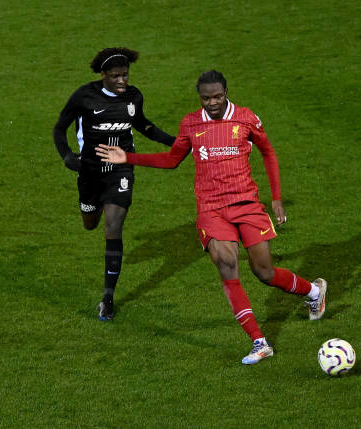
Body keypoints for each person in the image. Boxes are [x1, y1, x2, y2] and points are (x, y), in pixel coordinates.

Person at [96, 70, 327, 364]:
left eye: (217, 96)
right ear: (200, 98)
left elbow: (268, 153)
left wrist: (277, 198)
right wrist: (128, 157)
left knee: (264, 272)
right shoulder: (191, 123)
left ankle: (314, 291)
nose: (212, 103)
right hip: (211, 209)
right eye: (206, 98)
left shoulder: (245, 118)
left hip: (246, 204)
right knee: (227, 264)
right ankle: (259, 342)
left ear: (226, 93)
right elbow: (172, 160)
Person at [53, 47, 175, 321]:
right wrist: (67, 156)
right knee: (90, 223)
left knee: (114, 226)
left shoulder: (134, 97)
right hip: (90, 171)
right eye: (116, 76)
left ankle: (107, 298)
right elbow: (59, 128)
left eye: (125, 75)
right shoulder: (84, 96)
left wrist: (175, 142)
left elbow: (142, 125)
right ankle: (95, 205)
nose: (122, 81)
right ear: (103, 75)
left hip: (121, 169)